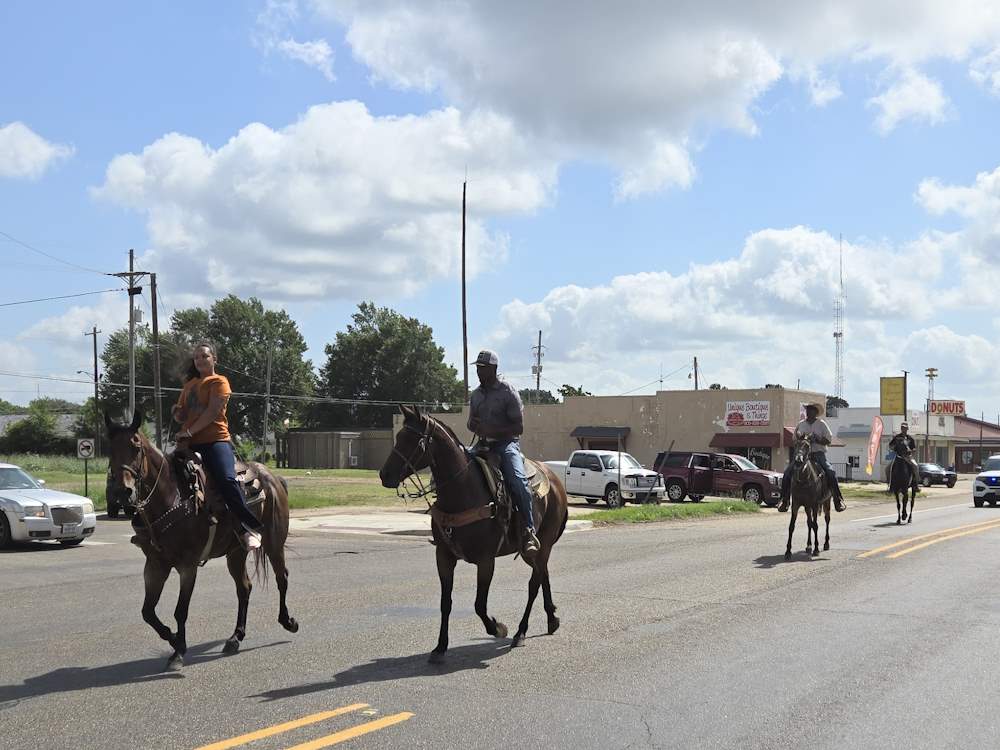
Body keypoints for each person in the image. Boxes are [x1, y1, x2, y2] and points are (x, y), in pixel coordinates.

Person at [172, 342, 263, 550]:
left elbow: (212, 413)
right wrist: (178, 413)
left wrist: (189, 431)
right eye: (196, 357)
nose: (200, 360)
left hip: (215, 441)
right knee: (164, 475)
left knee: (226, 479)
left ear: (214, 359)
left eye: (204, 356)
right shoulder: (189, 386)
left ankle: (247, 528)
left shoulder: (219, 381)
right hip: (188, 443)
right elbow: (182, 414)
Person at [466, 349, 540, 560]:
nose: (479, 372)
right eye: (478, 368)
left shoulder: (507, 392)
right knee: (458, 466)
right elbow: (470, 423)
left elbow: (518, 427)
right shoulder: (477, 394)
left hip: (506, 445)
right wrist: (475, 426)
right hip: (482, 446)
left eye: (483, 368)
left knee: (517, 480)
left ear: (494, 368)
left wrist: (493, 432)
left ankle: (528, 531)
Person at [778, 402, 846, 513]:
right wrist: (801, 441)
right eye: (807, 410)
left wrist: (817, 439)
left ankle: (837, 500)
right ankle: (784, 500)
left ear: (816, 412)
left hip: (818, 454)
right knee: (787, 473)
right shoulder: (801, 424)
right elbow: (794, 440)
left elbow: (828, 439)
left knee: (830, 472)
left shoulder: (821, 424)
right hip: (803, 455)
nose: (808, 412)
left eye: (811, 410)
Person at [888, 421, 920, 491]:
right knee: (888, 468)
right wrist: (892, 447)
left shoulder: (910, 438)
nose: (903, 429)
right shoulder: (897, 437)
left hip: (908, 457)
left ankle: (915, 485)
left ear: (907, 428)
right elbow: (890, 445)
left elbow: (914, 448)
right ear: (901, 428)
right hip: (899, 456)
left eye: (905, 428)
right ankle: (891, 485)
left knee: (915, 466)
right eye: (902, 427)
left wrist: (912, 451)